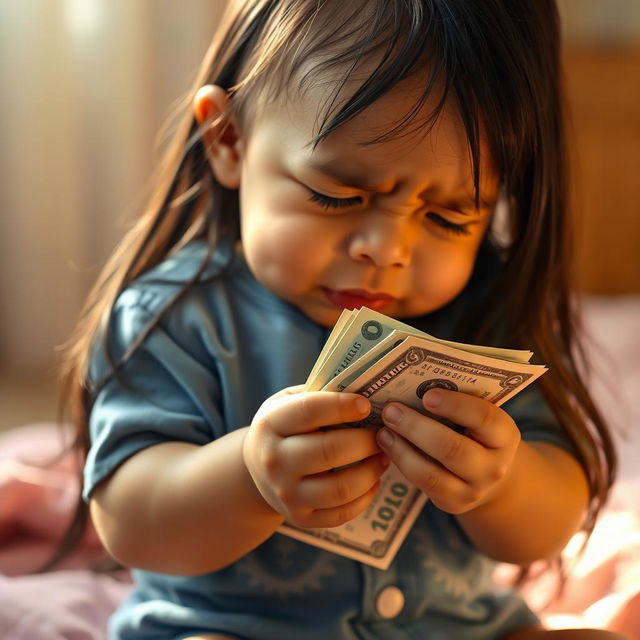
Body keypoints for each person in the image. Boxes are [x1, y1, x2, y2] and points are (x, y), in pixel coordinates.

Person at [58, 1, 625, 638]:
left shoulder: (492, 316)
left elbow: (552, 518)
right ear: (229, 140)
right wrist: (250, 476)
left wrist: (500, 485)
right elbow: (130, 523)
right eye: (339, 195)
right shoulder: (176, 316)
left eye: (448, 218)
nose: (387, 249)